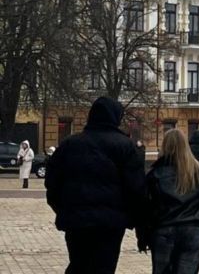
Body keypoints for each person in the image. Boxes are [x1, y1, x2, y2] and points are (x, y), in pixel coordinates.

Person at [45, 96, 146, 274]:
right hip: (111, 223)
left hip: (76, 220)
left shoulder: (70, 144)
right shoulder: (125, 146)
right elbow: (136, 189)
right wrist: (137, 221)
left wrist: (63, 208)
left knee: (78, 263)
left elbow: (52, 183)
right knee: (104, 267)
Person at [141, 129, 199, 273]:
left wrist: (142, 235)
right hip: (192, 230)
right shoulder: (197, 171)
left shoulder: (155, 174)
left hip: (163, 230)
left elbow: (146, 207)